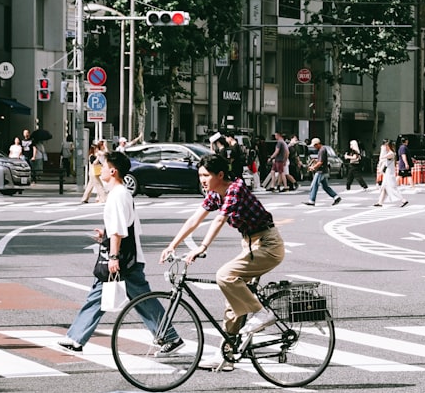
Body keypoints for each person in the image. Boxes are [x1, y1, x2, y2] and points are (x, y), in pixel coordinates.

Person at [161, 153, 285, 371]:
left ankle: (262, 314)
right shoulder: (215, 195)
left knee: (224, 275)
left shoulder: (235, 189)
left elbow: (220, 219)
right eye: (200, 175)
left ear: (220, 174)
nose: (202, 180)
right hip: (250, 245)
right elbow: (194, 220)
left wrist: (203, 246)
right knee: (233, 303)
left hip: (268, 245)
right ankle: (227, 356)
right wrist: (172, 245)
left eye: (206, 175)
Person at [59, 151, 181, 352]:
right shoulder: (122, 193)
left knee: (110, 297)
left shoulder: (118, 195)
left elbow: (118, 230)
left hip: (123, 259)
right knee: (138, 299)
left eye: (104, 166)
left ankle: (76, 339)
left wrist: (113, 256)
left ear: (113, 171)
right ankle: (168, 336)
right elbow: (126, 227)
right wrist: (105, 235)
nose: (101, 169)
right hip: (129, 257)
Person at [305, 138, 341, 206]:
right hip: (323, 170)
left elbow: (320, 162)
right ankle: (336, 197)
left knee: (314, 185)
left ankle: (312, 200)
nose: (314, 147)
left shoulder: (322, 150)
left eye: (315, 145)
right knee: (325, 187)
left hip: (320, 171)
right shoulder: (322, 149)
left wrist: (313, 167)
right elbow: (321, 161)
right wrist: (315, 161)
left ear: (318, 144)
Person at [375, 139, 407, 207]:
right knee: (384, 187)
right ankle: (380, 202)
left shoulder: (391, 153)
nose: (385, 147)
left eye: (386, 146)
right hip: (387, 173)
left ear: (388, 146)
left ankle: (403, 200)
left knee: (392, 188)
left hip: (389, 174)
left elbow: (381, 158)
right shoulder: (391, 153)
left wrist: (382, 150)